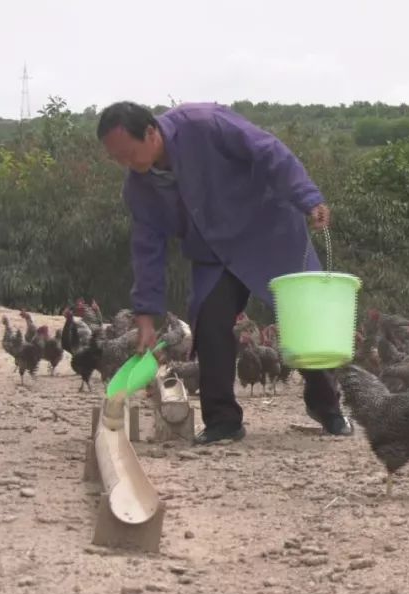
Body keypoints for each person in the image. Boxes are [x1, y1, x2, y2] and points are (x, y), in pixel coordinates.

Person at [96, 100, 354, 444]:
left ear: (150, 132)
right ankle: (223, 421)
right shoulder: (138, 189)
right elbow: (148, 250)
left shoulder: (204, 124)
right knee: (210, 320)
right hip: (214, 250)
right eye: (117, 160)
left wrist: (308, 197)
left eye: (129, 154)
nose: (127, 165)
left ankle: (328, 409)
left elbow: (269, 151)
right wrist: (145, 314)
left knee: (303, 320)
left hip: (269, 230)